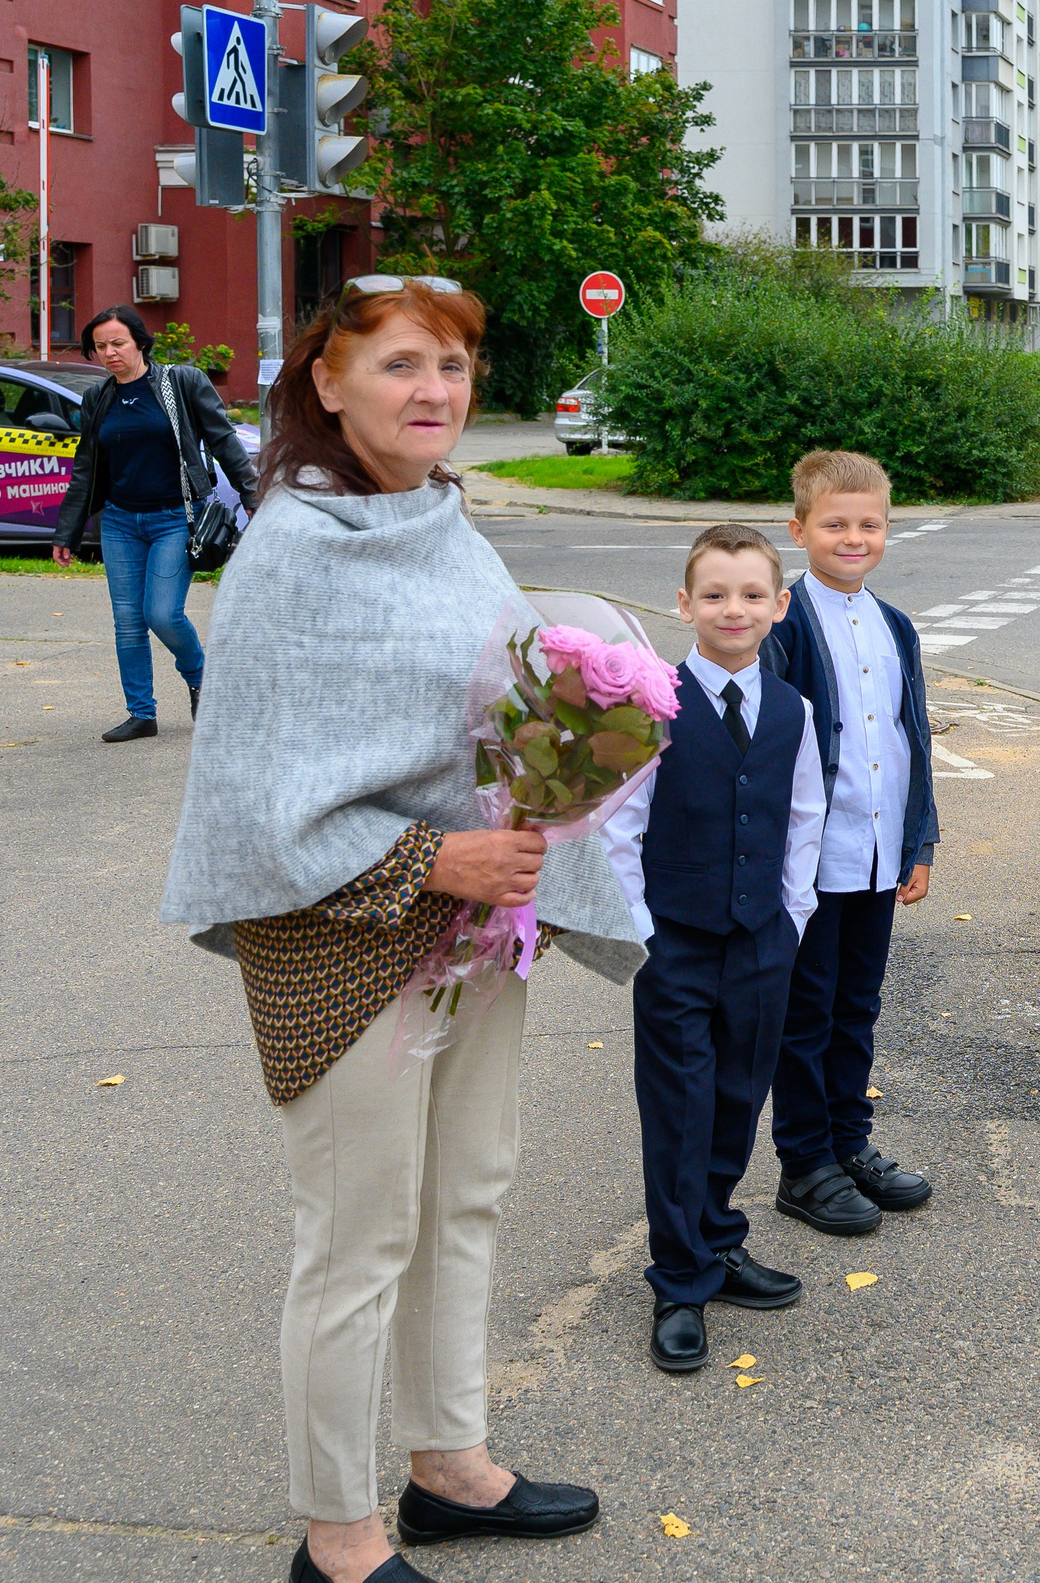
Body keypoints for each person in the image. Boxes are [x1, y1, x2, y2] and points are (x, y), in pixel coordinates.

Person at [160, 276, 644, 1583]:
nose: (437, 390)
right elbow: (258, 798)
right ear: (328, 382)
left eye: (456, 364)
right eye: (403, 366)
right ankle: (339, 1532)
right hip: (346, 935)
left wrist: (581, 737)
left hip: (479, 925)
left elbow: (499, 694)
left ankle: (450, 1464)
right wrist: (441, 853)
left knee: (467, 1196)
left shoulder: (441, 523)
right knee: (358, 1235)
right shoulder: (289, 551)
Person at [605, 524, 826, 1374]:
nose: (732, 608)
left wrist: (793, 915)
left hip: (763, 936)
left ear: (777, 605)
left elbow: (804, 814)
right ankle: (679, 1279)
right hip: (677, 941)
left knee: (738, 1092)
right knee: (680, 1105)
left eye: (750, 594)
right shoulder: (653, 701)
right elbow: (622, 824)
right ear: (685, 603)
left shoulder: (793, 708)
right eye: (714, 594)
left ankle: (719, 1238)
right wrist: (643, 931)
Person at [759, 451, 939, 1237]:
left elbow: (911, 739)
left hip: (876, 854)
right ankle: (804, 1164)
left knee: (857, 1007)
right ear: (799, 530)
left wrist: (919, 839)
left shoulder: (893, 624)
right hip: (811, 863)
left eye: (870, 524)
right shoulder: (784, 624)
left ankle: (848, 1143)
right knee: (807, 1013)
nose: (854, 537)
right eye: (835, 524)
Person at [52, 304, 257, 744]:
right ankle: (141, 713)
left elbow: (224, 440)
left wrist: (252, 495)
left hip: (175, 518)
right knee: (127, 620)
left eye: (118, 343)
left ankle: (204, 680)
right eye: (100, 346)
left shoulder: (179, 383)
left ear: (140, 342)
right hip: (121, 521)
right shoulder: (98, 397)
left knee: (162, 614)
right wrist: (66, 531)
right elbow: (85, 468)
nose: (109, 353)